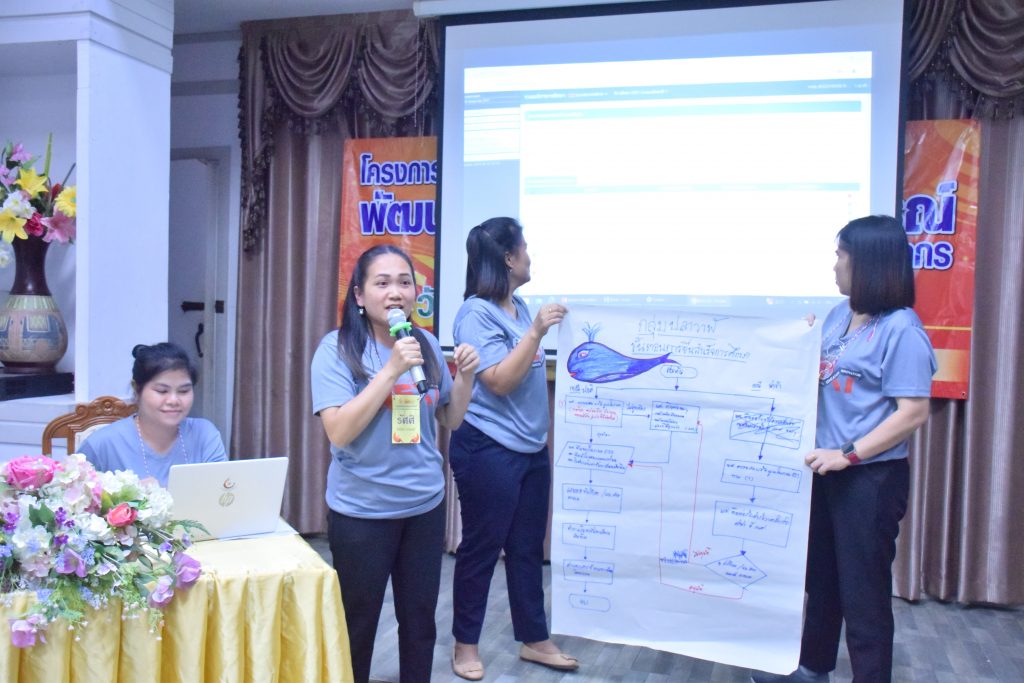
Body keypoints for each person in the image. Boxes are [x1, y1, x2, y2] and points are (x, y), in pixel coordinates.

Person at [752, 215, 937, 683]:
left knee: (863, 593)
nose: (834, 265)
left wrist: (849, 453)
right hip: (826, 472)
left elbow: (913, 412)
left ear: (866, 262)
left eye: (841, 255)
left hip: (869, 479)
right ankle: (813, 668)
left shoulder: (902, 330)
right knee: (823, 580)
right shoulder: (841, 315)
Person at [310, 244, 478, 683]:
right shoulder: (337, 349)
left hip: (423, 506)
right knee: (357, 624)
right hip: (362, 512)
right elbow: (338, 431)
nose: (395, 292)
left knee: (420, 623)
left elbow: (449, 419)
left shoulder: (425, 344)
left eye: (405, 282)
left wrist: (465, 379)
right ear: (359, 295)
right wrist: (390, 370)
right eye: (382, 283)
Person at [448, 217, 577, 681]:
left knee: (526, 548)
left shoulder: (519, 306)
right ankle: (465, 645)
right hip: (488, 448)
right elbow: (499, 381)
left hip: (530, 449)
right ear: (508, 257)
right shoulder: (475, 314)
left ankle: (534, 639)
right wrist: (536, 333)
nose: (529, 256)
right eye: (524, 248)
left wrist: (534, 328)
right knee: (482, 549)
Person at [79, 342, 226, 486]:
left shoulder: (205, 434)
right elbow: (73, 496)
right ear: (137, 390)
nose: (173, 400)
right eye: (162, 391)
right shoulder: (102, 445)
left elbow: (223, 493)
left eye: (183, 391)